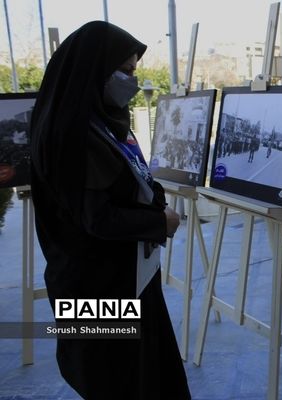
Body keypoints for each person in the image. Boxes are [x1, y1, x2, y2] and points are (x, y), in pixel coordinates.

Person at [30, 21, 191, 399]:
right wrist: (159, 221)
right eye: (126, 71)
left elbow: (123, 180)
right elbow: (96, 218)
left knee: (137, 374)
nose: (132, 81)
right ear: (95, 70)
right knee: (119, 380)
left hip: (121, 277)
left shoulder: (94, 122)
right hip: (98, 287)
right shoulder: (73, 136)